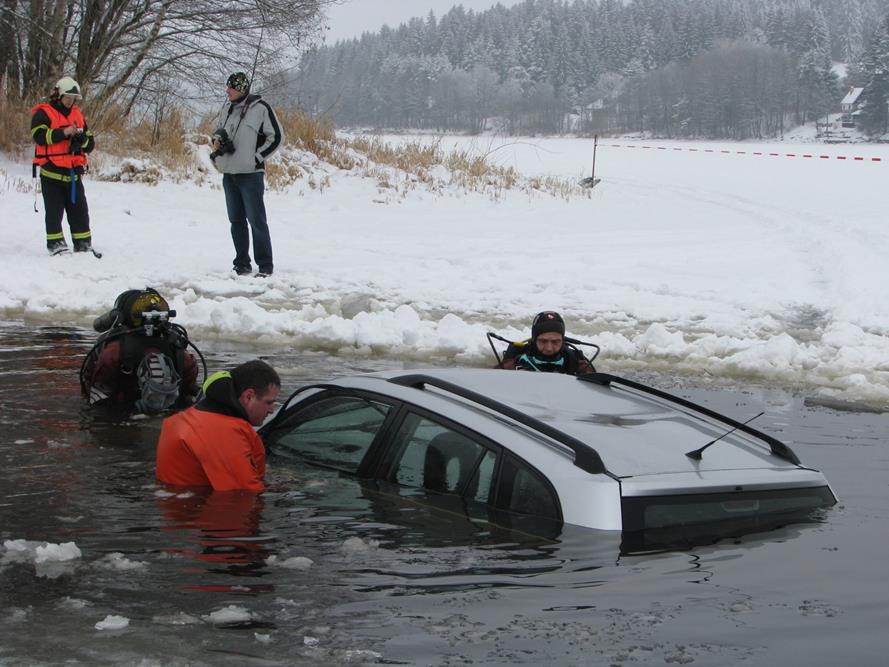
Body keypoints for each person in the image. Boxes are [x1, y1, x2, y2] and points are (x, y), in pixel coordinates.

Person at [155, 359, 281, 492]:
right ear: (248, 396)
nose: (272, 410)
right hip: (201, 509)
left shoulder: (188, 417)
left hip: (179, 503)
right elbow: (243, 493)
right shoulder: (223, 432)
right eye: (268, 402)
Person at [80, 288, 201, 413]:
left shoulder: (114, 350)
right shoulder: (178, 349)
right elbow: (191, 393)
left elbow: (97, 397)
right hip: (168, 415)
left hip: (122, 416)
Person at [211, 71, 283, 278]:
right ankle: (241, 263)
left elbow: (277, 137)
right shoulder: (226, 109)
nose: (227, 91)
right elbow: (220, 131)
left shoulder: (261, 109)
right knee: (236, 221)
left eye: (231, 87)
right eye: (227, 87)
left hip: (251, 175)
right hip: (229, 174)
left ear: (241, 88)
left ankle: (265, 266)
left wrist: (257, 158)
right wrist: (217, 141)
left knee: (257, 221)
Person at [30, 76, 96, 255]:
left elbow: (90, 144)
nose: (70, 101)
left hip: (73, 174)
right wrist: (64, 132)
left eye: (73, 98)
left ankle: (83, 244)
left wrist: (81, 141)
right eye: (67, 97)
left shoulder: (77, 115)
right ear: (58, 95)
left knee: (80, 212)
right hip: (51, 174)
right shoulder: (43, 113)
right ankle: (56, 244)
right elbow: (40, 136)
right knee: (54, 213)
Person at [496, 311, 595, 375]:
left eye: (556, 342)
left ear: (563, 340)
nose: (549, 348)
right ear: (534, 339)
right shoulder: (516, 361)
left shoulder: (574, 361)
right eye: (543, 341)